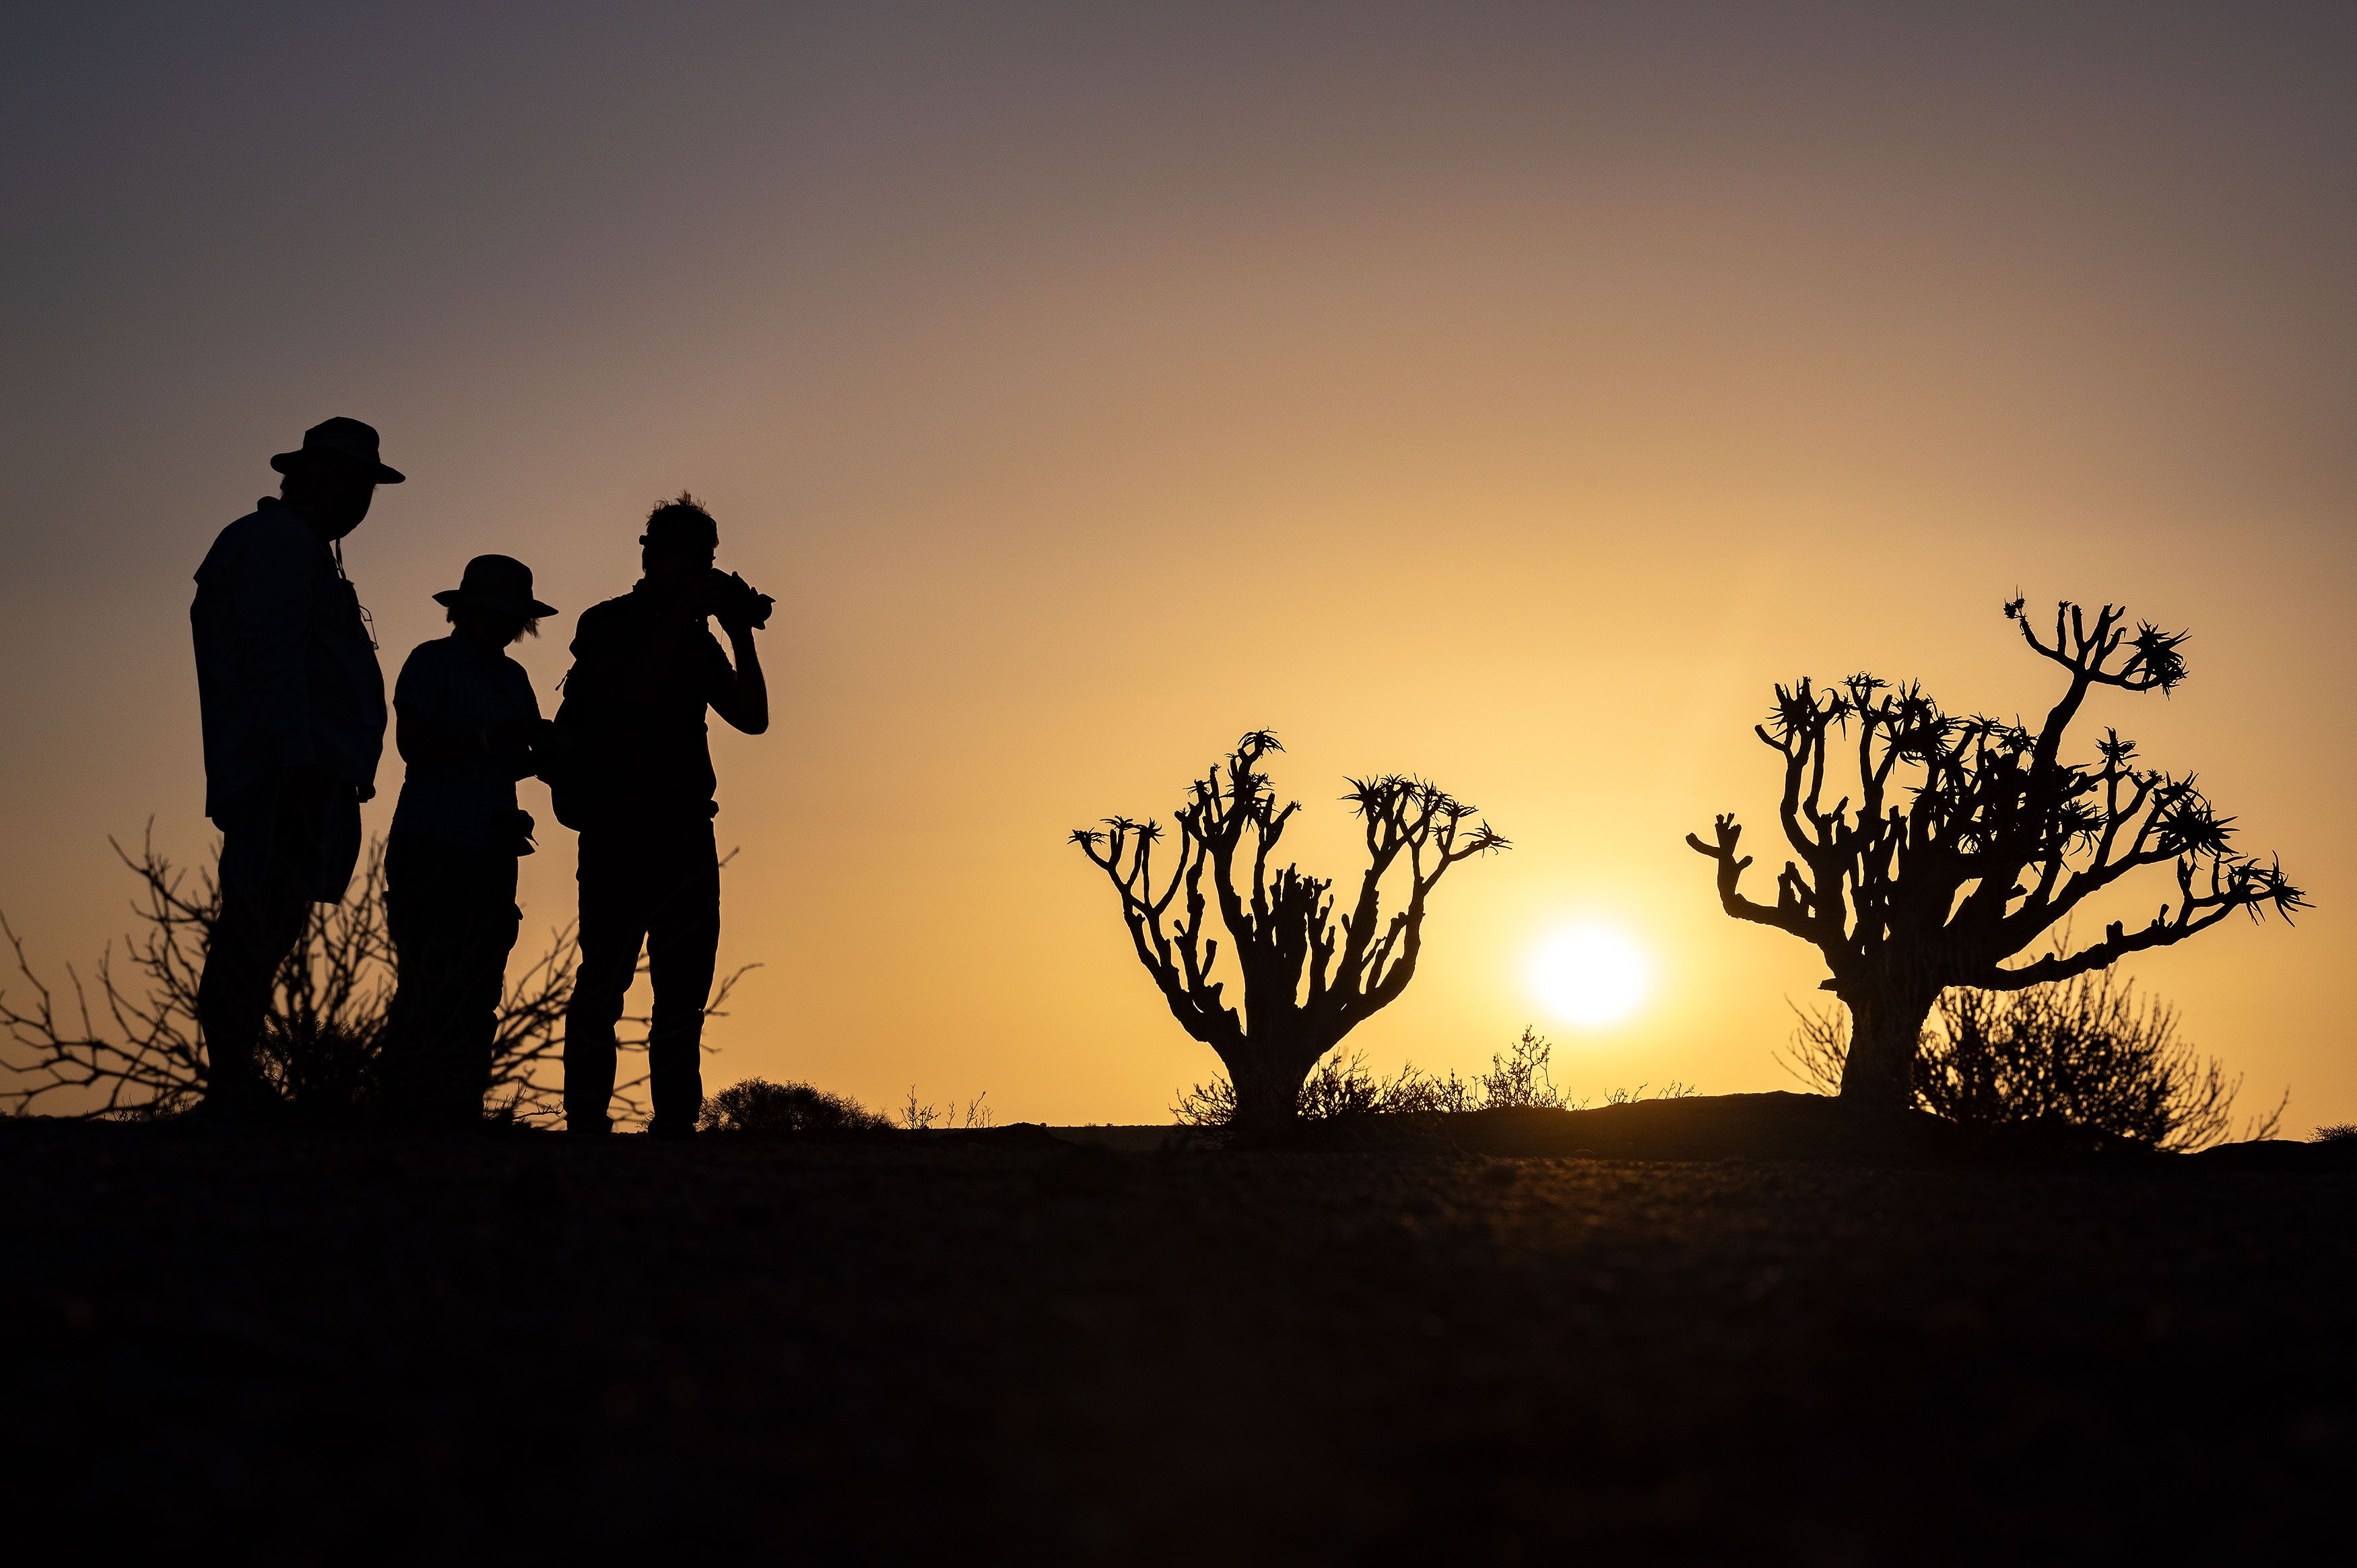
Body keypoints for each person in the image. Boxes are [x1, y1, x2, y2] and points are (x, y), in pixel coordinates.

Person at [190, 417, 399, 1116]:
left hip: (295, 770)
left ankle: (234, 1084)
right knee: (257, 919)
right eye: (355, 482)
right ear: (319, 479)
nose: (362, 500)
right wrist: (300, 760)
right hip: (285, 773)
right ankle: (230, 1088)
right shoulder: (279, 545)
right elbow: (271, 658)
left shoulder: (298, 548)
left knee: (267, 920)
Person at [553, 493, 770, 1137]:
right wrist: (684, 614)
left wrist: (737, 631)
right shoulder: (607, 623)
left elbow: (753, 718)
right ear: (650, 556)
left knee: (683, 993)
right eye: (686, 558)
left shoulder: (702, 641)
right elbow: (633, 693)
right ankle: (586, 1124)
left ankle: (675, 1125)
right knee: (604, 983)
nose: (696, 569)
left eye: (704, 560)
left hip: (685, 831)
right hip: (619, 827)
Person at [378, 555, 560, 1128]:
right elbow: (414, 747)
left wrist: (550, 754)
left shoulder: (514, 679)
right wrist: (490, 741)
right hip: (432, 841)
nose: (506, 626)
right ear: (469, 612)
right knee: (426, 979)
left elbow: (513, 761)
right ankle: (401, 1109)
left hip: (489, 846)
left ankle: (458, 1109)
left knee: (481, 984)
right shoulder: (430, 662)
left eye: (513, 617)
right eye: (498, 614)